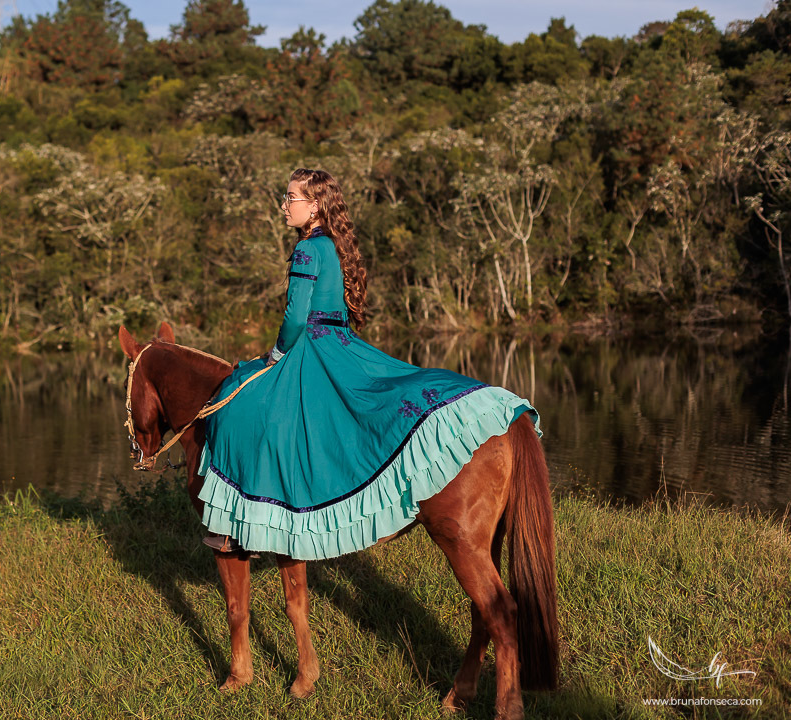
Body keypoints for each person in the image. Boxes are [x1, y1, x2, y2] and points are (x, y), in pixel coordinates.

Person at [199, 168, 539, 560]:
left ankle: (239, 529)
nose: (284, 206)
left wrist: (276, 354)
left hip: (314, 349)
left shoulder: (308, 249)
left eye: (290, 198)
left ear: (314, 207)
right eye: (286, 197)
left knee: (241, 403)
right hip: (341, 343)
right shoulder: (331, 245)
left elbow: (295, 317)